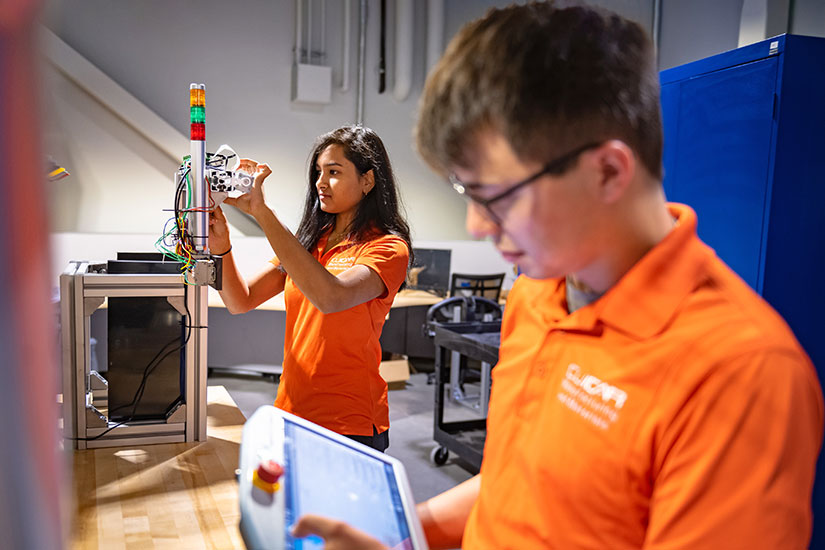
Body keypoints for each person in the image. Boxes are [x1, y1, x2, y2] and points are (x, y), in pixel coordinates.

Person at [292, 2, 824, 548]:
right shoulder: (538, 296)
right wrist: (402, 534)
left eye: (496, 194)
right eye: (466, 189)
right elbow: (517, 483)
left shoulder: (740, 378)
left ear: (608, 172)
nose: (476, 225)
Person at [210, 125, 411, 452]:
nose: (320, 182)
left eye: (334, 172)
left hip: (349, 422)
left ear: (367, 180)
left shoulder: (387, 248)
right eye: (318, 171)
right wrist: (222, 249)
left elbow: (332, 297)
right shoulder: (307, 246)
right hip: (291, 411)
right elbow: (240, 300)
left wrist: (263, 213)